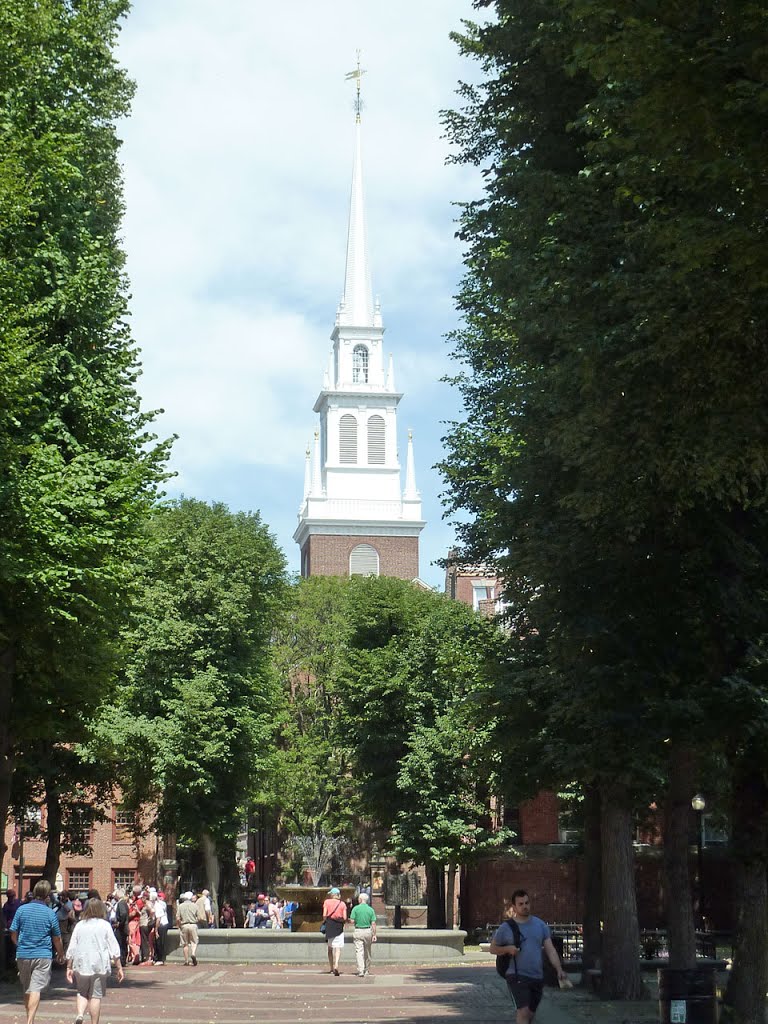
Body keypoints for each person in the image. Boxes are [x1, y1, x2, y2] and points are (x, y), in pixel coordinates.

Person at [489, 889, 568, 1024]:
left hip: (537, 976)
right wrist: (508, 948)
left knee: (530, 1015)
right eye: (521, 904)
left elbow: (551, 950)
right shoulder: (506, 928)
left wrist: (559, 969)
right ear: (514, 907)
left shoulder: (540, 925)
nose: (525, 906)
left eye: (527, 903)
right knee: (523, 1012)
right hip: (516, 975)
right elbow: (493, 949)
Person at [9, 879, 65, 1024]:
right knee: (35, 988)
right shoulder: (50, 913)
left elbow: (13, 932)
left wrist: (18, 944)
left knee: (27, 988)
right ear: (47, 895)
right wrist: (60, 953)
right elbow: (57, 937)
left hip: (23, 954)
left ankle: (29, 1017)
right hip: (42, 955)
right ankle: (30, 1020)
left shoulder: (22, 909)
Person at [66, 897, 124, 1024]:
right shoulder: (105, 925)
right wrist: (119, 967)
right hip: (99, 964)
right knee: (95, 996)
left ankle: (80, 1014)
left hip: (81, 963)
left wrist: (69, 966)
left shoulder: (80, 925)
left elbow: (72, 946)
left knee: (81, 992)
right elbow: (113, 947)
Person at [322, 886, 347, 976]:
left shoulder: (327, 902)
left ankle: (331, 967)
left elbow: (324, 915)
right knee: (338, 948)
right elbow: (344, 917)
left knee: (330, 948)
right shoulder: (342, 904)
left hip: (329, 925)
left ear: (332, 895)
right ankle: (336, 964)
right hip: (339, 926)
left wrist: (325, 920)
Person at [349, 891, 376, 977]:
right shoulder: (371, 910)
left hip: (358, 931)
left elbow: (352, 921)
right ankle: (367, 969)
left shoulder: (355, 909)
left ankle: (361, 970)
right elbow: (373, 923)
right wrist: (374, 934)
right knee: (367, 951)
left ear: (360, 899)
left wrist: (352, 920)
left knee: (359, 951)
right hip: (368, 931)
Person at [177, 892, 200, 966]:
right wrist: (195, 920)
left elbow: (177, 918)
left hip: (184, 925)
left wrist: (179, 925)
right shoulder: (195, 906)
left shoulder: (180, 906)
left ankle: (186, 961)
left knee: (185, 944)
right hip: (193, 925)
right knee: (194, 941)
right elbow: (199, 917)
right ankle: (193, 953)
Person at [153, 891, 169, 964]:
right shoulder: (159, 903)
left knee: (160, 941)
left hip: (162, 923)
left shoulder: (160, 904)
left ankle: (161, 959)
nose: (159, 897)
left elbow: (158, 918)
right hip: (161, 923)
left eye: (160, 896)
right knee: (158, 941)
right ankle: (158, 957)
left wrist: (156, 930)